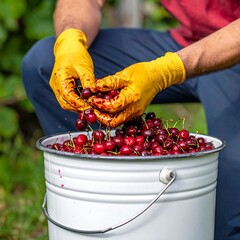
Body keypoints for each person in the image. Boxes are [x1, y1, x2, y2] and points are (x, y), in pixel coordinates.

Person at [21, 0, 240, 239]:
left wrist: (169, 69)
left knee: (226, 224)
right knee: (44, 63)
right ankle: (98, 197)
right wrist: (71, 41)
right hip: (186, 42)